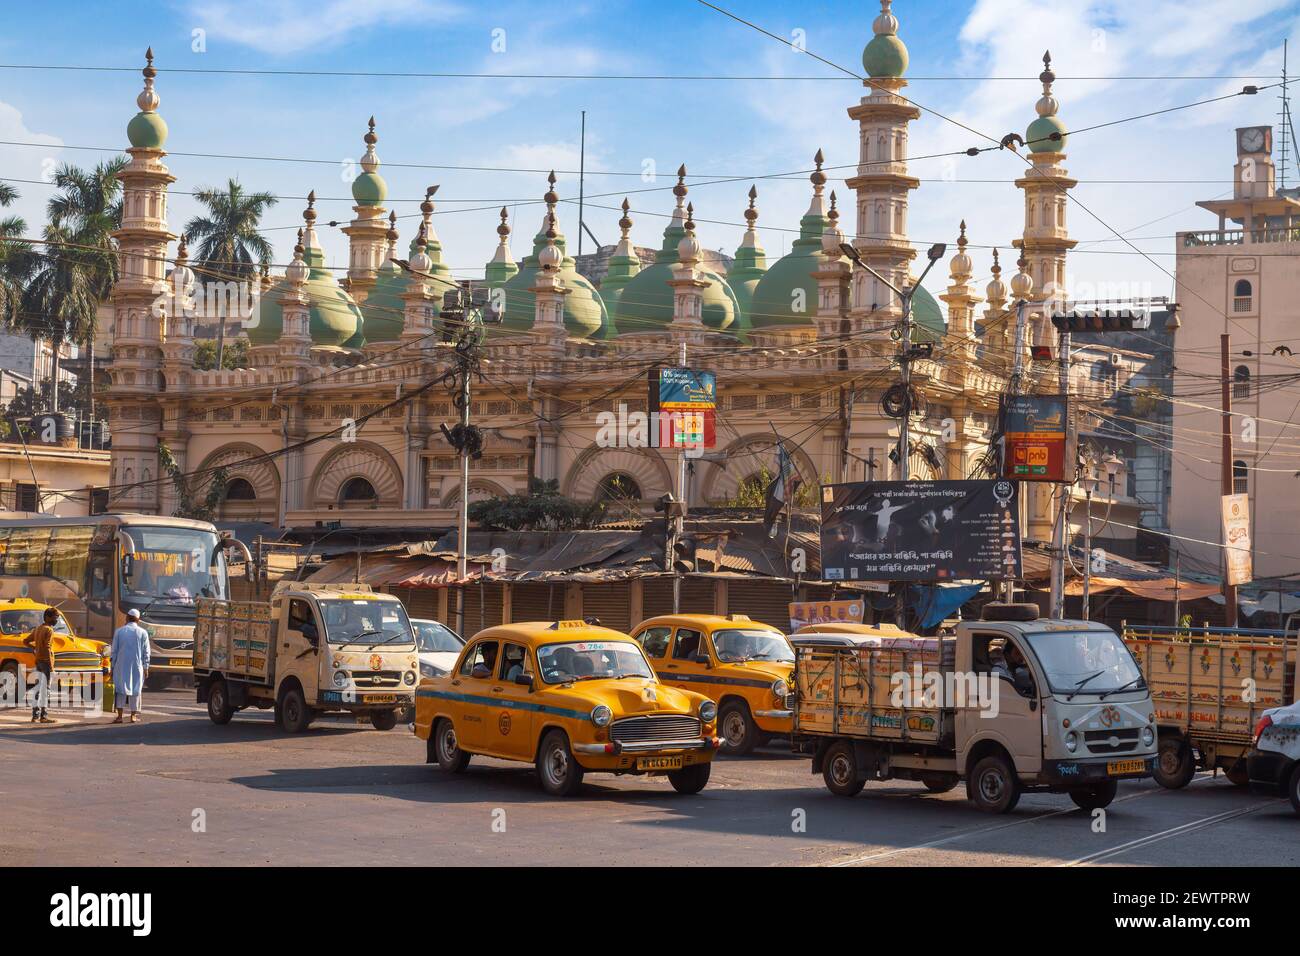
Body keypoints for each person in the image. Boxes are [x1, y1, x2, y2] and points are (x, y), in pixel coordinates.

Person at [110, 608, 151, 724]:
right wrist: (146, 667)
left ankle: (119, 716)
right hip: (137, 666)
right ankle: (133, 716)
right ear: (138, 620)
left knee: (120, 690)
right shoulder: (143, 632)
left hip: (121, 666)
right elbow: (146, 652)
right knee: (136, 690)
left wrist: (112, 667)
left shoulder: (119, 631)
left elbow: (114, 651)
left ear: (127, 617)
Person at [23, 607, 59, 723]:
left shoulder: (38, 628)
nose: (56, 620)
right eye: (55, 617)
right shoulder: (49, 630)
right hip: (46, 663)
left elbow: (25, 641)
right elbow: (48, 647)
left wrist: (36, 648)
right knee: (46, 689)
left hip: (38, 661)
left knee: (37, 689)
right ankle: (44, 716)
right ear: (48, 617)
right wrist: (51, 666)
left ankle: (35, 716)